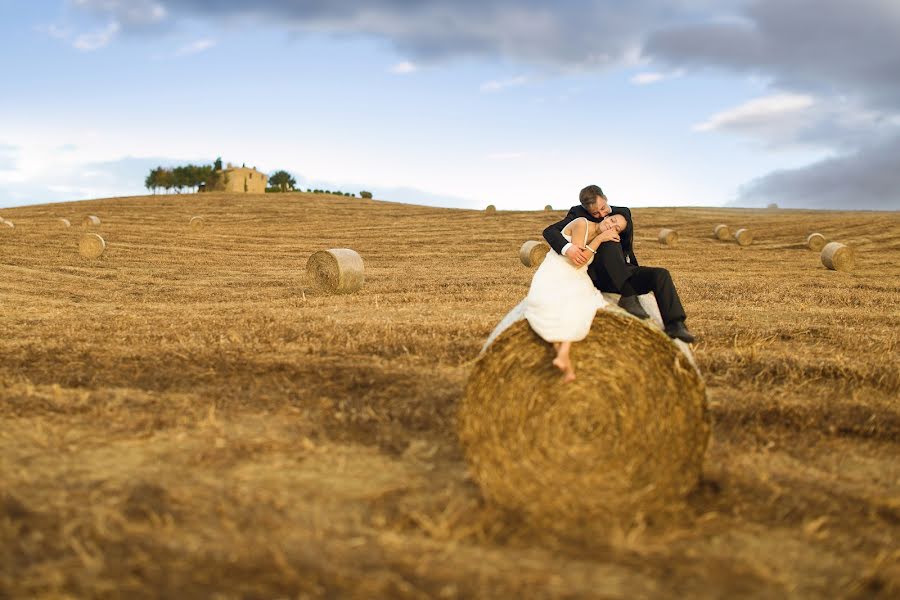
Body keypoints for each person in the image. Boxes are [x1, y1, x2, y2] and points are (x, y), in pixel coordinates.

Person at [543, 184, 696, 343]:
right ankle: (628, 295)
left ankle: (675, 324)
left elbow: (627, 246)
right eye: (595, 213)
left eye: (603, 208)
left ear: (605, 198)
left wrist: (634, 269)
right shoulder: (578, 213)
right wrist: (568, 249)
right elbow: (550, 231)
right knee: (610, 241)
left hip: (622, 268)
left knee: (660, 274)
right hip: (600, 274)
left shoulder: (623, 212)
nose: (602, 215)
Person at [524, 213, 627, 381]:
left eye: (617, 229)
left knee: (578, 306)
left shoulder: (598, 235)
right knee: (555, 307)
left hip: (577, 277)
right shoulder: (582, 223)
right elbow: (576, 260)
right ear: (606, 217)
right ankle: (566, 361)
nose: (611, 226)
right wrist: (600, 239)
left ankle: (563, 355)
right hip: (554, 273)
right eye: (612, 220)